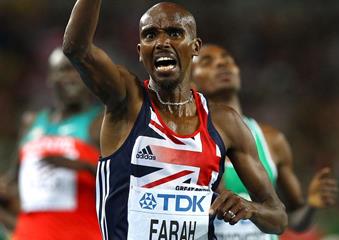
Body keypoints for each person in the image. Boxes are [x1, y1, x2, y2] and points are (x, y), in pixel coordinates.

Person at [62, 1, 287, 239]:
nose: (161, 43)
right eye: (150, 35)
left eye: (174, 33)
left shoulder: (224, 123)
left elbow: (277, 217)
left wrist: (250, 208)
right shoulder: (127, 102)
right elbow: (77, 49)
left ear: (195, 46)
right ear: (140, 51)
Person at [192, 43, 339, 240]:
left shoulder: (271, 140)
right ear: (190, 82)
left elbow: (293, 221)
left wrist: (311, 205)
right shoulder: (185, 142)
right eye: (207, 62)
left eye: (227, 60)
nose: (221, 64)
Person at [5, 48, 103, 240]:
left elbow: (125, 179)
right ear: (50, 77)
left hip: (80, 233)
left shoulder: (101, 122)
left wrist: (82, 166)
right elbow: (14, 179)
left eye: (78, 69)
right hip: (29, 233)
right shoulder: (32, 121)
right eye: (64, 69)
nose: (71, 76)